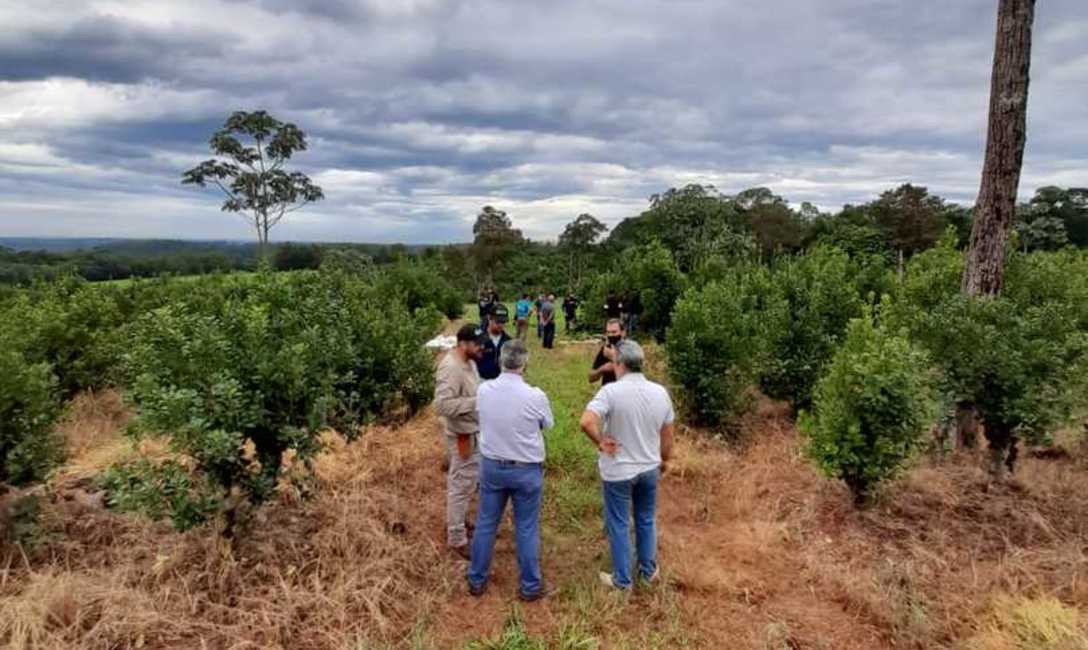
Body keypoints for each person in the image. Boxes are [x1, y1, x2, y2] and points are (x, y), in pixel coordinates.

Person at [579, 340, 675, 591]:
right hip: (648, 468)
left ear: (618, 364)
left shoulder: (611, 392)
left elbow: (587, 421)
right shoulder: (660, 392)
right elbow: (667, 436)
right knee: (645, 519)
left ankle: (622, 580)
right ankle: (648, 570)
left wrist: (601, 441)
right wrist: (664, 460)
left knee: (619, 523)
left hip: (618, 470)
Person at [468, 340, 554, 600]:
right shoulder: (536, 395)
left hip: (493, 466)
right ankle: (529, 586)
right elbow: (547, 424)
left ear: (500, 361)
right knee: (526, 527)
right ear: (525, 363)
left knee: (486, 523)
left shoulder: (484, 390)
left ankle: (476, 579)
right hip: (525, 469)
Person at [433, 323, 484, 559]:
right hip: (463, 435)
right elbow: (442, 405)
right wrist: (476, 403)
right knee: (460, 486)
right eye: (476, 343)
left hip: (474, 432)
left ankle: (460, 522)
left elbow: (477, 389)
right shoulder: (451, 367)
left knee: (467, 483)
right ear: (463, 344)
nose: (480, 347)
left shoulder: (470, 363)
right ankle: (456, 537)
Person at [477, 304, 511, 380]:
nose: (501, 325)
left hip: (500, 382)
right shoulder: (478, 338)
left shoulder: (508, 341)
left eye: (503, 322)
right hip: (480, 380)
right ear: (489, 318)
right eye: (498, 322)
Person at [588, 319, 625, 387]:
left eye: (614, 332)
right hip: (608, 392)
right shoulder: (606, 349)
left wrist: (613, 357)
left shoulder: (631, 348)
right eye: (608, 332)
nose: (610, 335)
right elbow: (591, 378)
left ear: (623, 332)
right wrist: (602, 369)